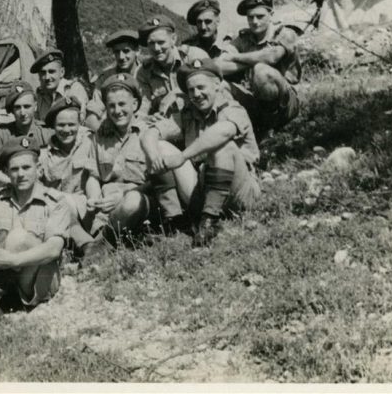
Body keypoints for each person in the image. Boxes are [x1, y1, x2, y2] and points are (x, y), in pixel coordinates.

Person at [0, 137, 71, 341]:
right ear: (7, 173)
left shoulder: (55, 201)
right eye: (14, 169)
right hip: (2, 272)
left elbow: (54, 248)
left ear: (39, 168)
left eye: (26, 167)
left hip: (36, 280)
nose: (21, 174)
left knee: (17, 237)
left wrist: (14, 260)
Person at [140, 58, 261, 247]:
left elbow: (224, 132)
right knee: (159, 146)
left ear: (217, 84)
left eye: (201, 87)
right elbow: (151, 133)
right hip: (204, 191)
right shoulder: (189, 115)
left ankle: (209, 223)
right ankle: (175, 221)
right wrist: (154, 157)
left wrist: (182, 156)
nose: (196, 94)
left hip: (240, 193)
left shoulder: (233, 109)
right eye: (191, 90)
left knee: (223, 146)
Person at [80, 74, 187, 260]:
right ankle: (96, 240)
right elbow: (93, 176)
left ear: (135, 105)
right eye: (111, 106)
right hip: (106, 205)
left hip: (141, 199)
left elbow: (160, 182)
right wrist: (94, 198)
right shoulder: (100, 136)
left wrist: (122, 196)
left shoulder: (149, 133)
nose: (117, 111)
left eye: (122, 104)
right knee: (71, 205)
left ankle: (104, 243)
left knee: (131, 203)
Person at [216, 0, 301, 135]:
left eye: (260, 16)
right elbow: (219, 65)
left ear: (271, 14)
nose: (255, 21)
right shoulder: (243, 38)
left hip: (285, 101)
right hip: (255, 99)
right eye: (250, 17)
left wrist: (235, 57)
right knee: (221, 86)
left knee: (261, 71)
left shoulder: (285, 33)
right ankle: (240, 128)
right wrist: (251, 62)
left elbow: (272, 57)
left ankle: (270, 128)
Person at [38, 96, 102, 256]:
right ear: (53, 126)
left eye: (71, 124)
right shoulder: (45, 154)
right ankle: (88, 247)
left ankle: (88, 244)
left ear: (80, 122)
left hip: (87, 207)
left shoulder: (90, 141)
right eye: (61, 125)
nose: (66, 130)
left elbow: (95, 175)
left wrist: (94, 198)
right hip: (58, 212)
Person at [135, 14, 210, 119]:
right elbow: (143, 107)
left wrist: (175, 93)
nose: (156, 48)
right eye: (151, 43)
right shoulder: (143, 72)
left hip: (201, 118)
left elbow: (211, 88)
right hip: (168, 125)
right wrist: (147, 118)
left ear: (173, 39)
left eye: (161, 42)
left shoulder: (194, 56)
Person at [0, 81, 53, 186]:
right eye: (17, 107)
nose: (22, 113)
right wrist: (12, 183)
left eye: (27, 106)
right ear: (12, 110)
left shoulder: (46, 132)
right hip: (10, 187)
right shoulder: (0, 134)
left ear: (35, 106)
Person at [84, 29, 142, 131]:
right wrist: (101, 133)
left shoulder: (146, 73)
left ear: (137, 50)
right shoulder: (106, 77)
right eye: (117, 52)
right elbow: (92, 113)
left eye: (126, 51)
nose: (121, 57)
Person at [31, 48, 89, 123]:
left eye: (51, 72)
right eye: (43, 73)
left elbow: (80, 122)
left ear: (62, 72)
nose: (47, 77)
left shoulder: (74, 89)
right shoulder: (39, 95)